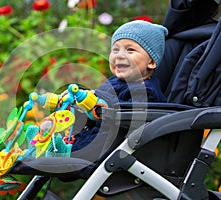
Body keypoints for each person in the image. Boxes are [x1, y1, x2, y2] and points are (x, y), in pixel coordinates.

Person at [72, 20, 168, 151]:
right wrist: (81, 96)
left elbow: (129, 118)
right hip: (91, 137)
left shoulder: (146, 92)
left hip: (112, 149)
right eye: (115, 50)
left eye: (130, 50)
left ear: (150, 62)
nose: (120, 55)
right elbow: (98, 103)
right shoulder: (113, 82)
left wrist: (99, 102)